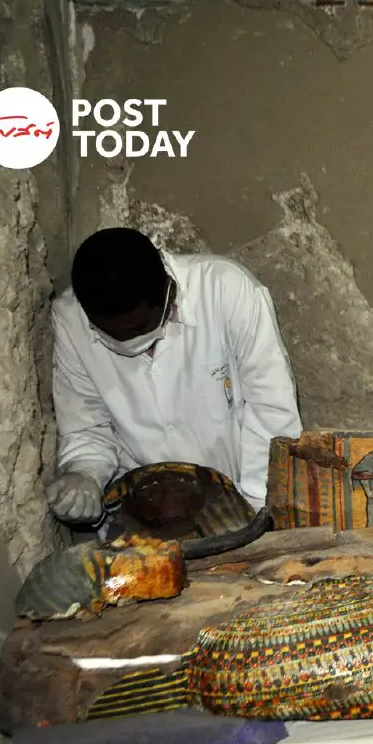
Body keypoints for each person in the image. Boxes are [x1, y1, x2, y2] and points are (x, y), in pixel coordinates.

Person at [45, 227, 303, 532]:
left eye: (138, 328)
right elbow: (87, 427)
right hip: (140, 520)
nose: (126, 341)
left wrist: (256, 515)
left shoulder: (225, 290)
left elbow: (271, 410)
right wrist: (85, 473)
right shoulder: (70, 320)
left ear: (170, 292)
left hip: (238, 500)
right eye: (110, 334)